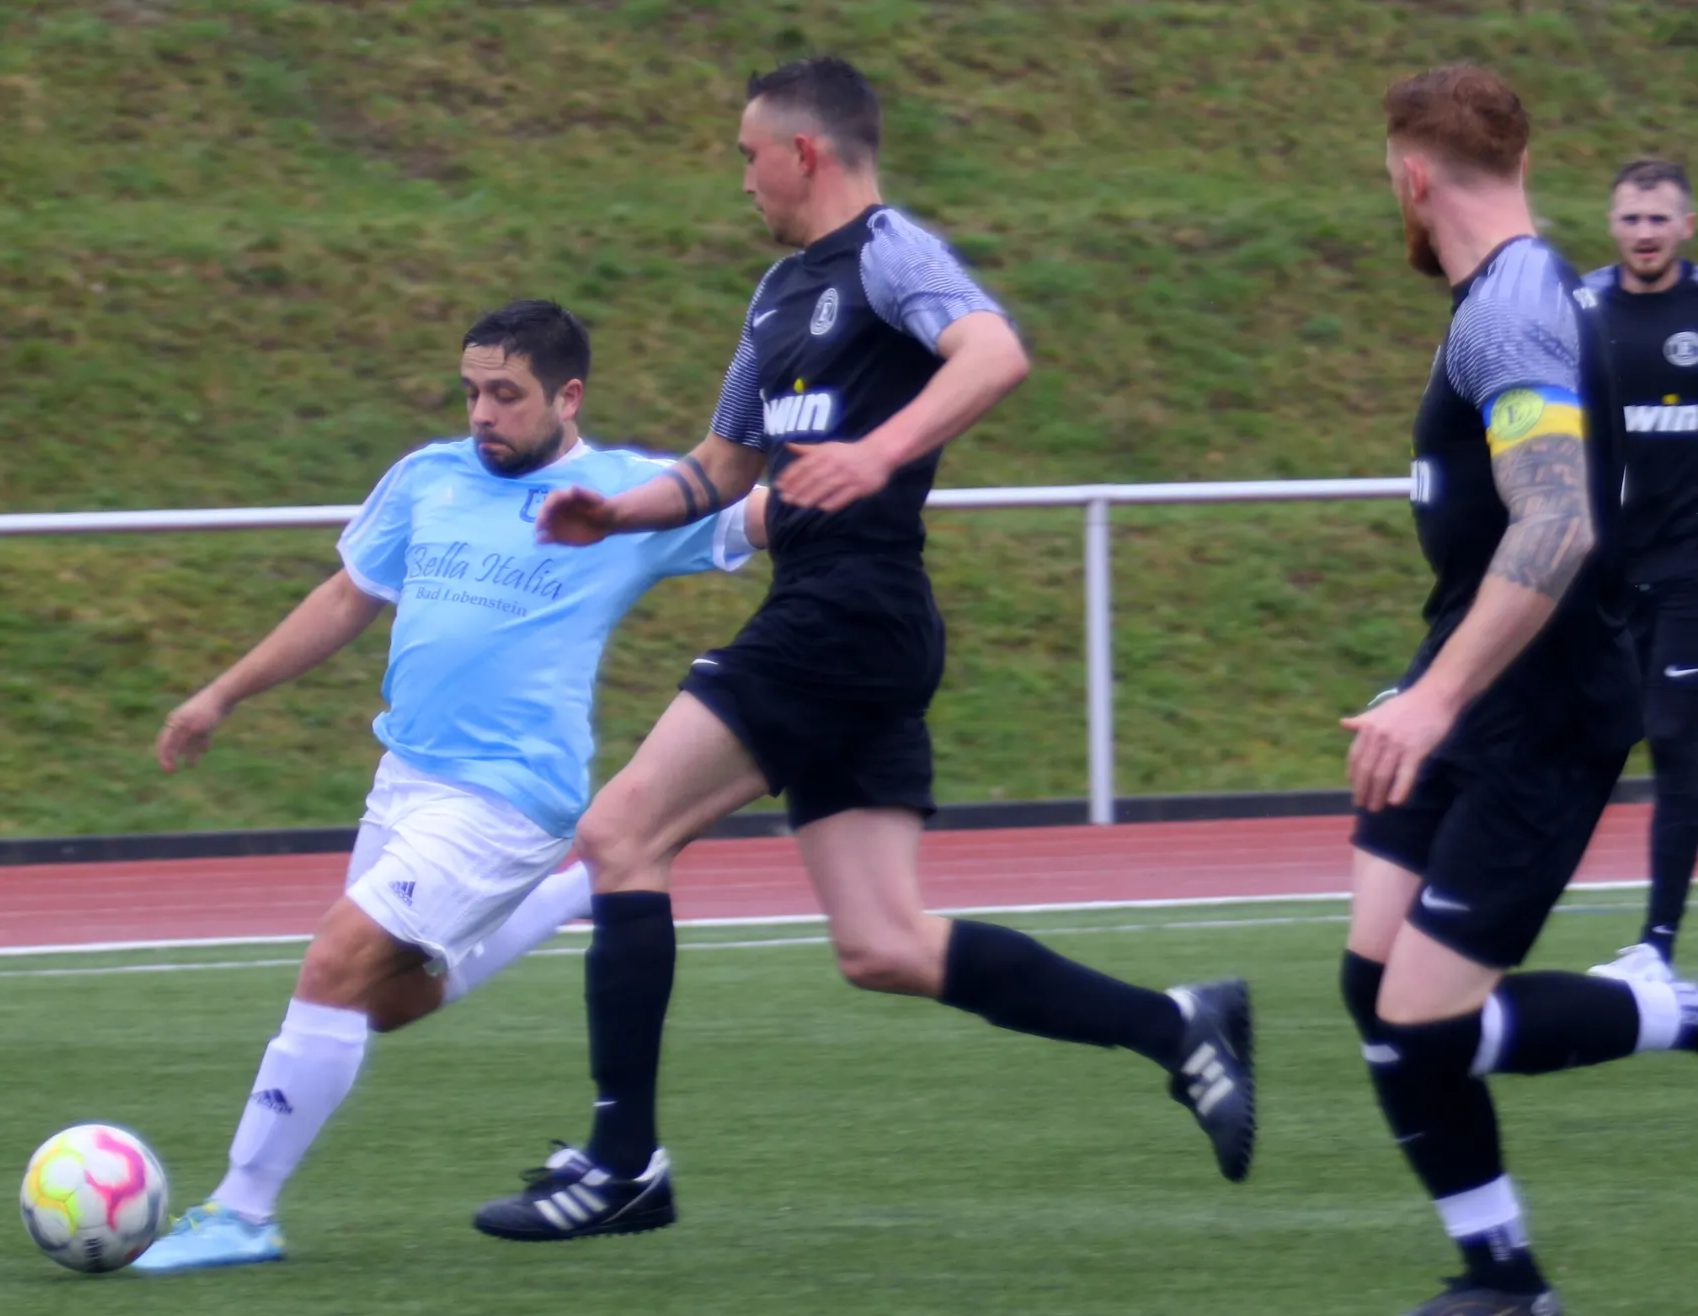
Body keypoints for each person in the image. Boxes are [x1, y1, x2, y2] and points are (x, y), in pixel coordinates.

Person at [471, 57, 1255, 1245]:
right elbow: (720, 466)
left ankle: (623, 1162)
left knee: (621, 833)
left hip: (848, 611)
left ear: (804, 152)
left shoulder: (889, 253)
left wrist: (880, 453)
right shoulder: (776, 292)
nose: (740, 178)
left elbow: (991, 353)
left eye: (747, 155)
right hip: (847, 619)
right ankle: (1176, 1027)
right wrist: (613, 512)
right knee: (882, 945)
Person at [130, 300, 768, 1272]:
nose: (481, 413)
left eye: (505, 394)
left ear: (567, 396)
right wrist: (222, 693)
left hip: (507, 795)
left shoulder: (627, 495)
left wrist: (868, 472)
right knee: (382, 1000)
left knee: (335, 959)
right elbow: (345, 596)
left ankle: (241, 1210)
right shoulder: (427, 477)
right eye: (471, 391)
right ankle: (573, 890)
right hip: (406, 779)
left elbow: (759, 514)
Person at [1334, 66, 1698, 1316]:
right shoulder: (1507, 295)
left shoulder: (1512, 312)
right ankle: (1498, 1273)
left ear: (1411, 176)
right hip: (1471, 684)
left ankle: (1672, 1007)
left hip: (1535, 713)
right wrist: (1428, 680)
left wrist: (1431, 702)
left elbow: (1555, 520)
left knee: (1421, 1019)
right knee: (1371, 981)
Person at [1580, 160, 1698, 984]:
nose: (1645, 233)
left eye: (1659, 218)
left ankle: (1655, 946)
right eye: (1631, 218)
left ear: (1686, 225)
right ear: (1612, 224)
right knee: (1571, 737)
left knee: (1676, 741)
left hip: (1691, 574)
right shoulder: (1582, 311)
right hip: (1603, 573)